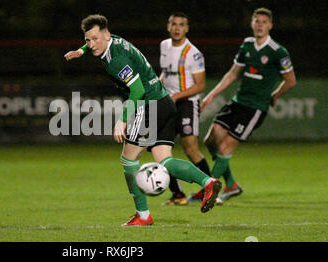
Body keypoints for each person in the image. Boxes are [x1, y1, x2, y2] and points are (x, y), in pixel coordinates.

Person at [64, 14, 221, 226]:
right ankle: (208, 182)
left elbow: (136, 91)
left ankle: (143, 214)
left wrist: (123, 120)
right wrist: (80, 51)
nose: (92, 45)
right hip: (165, 102)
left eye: (95, 39)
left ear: (106, 35)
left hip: (149, 106)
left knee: (128, 160)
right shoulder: (112, 41)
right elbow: (94, 42)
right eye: (87, 40)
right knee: (164, 160)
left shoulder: (115, 60)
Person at [201, 8, 296, 203]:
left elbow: (291, 80)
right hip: (237, 102)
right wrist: (211, 94)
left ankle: (209, 189)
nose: (260, 25)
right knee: (211, 140)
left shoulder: (278, 52)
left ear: (270, 25)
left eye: (264, 21)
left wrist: (275, 95)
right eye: (257, 21)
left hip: (255, 108)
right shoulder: (247, 45)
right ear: (252, 23)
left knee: (226, 146)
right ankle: (232, 186)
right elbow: (233, 73)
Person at [159, 12, 212, 206]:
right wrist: (158, 85)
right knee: (161, 148)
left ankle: (211, 187)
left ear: (187, 28)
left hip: (187, 104)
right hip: (168, 103)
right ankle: (178, 195)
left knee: (190, 149)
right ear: (168, 26)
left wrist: (176, 96)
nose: (177, 28)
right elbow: (166, 72)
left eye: (181, 25)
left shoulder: (193, 53)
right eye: (174, 24)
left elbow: (200, 85)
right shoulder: (164, 46)